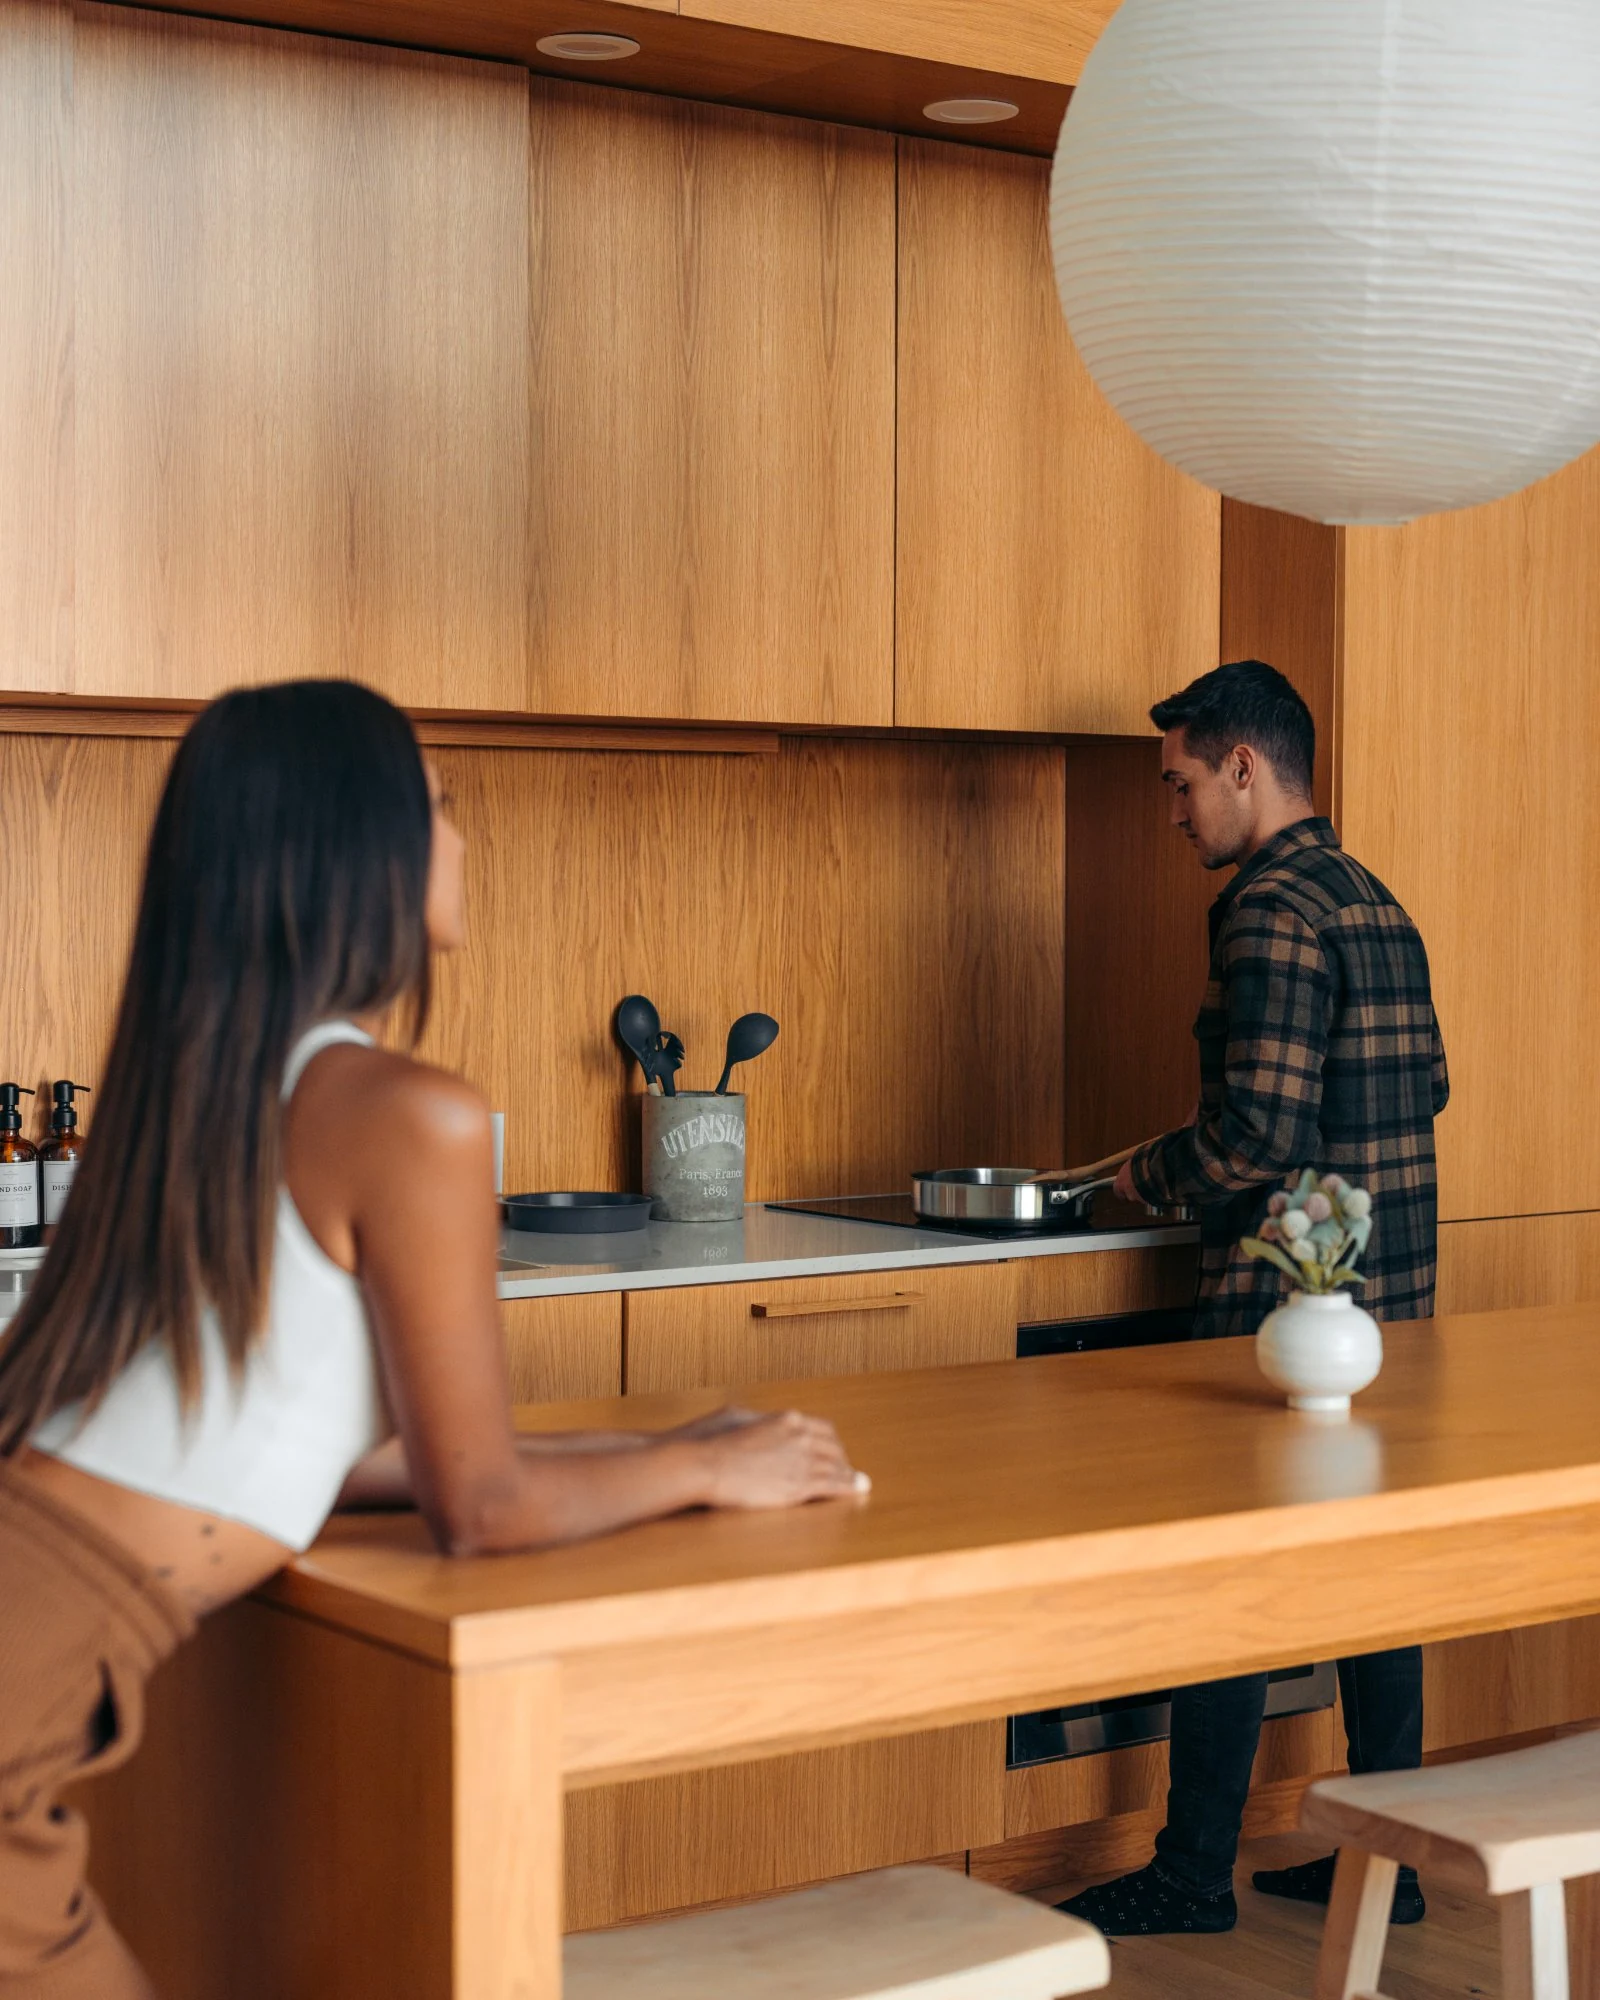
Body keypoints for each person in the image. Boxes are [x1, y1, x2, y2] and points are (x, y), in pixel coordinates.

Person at [0, 680, 864, 2000]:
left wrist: (675, 1442)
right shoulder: (406, 1114)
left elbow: (273, 1457)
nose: (458, 839)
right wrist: (699, 1475)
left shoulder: (202, 1097)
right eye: (439, 806)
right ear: (363, 849)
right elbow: (487, 1508)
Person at [1061, 660, 1448, 1939]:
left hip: (1282, 1317)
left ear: (1242, 765)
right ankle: (1388, 1864)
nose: (1172, 812)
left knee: (1228, 1577)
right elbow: (1422, 1090)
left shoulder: (1269, 907)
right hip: (1393, 1308)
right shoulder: (1373, 899)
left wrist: (1133, 1178)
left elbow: (1250, 1136)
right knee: (1374, 1583)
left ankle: (1187, 1872)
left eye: (1179, 782)